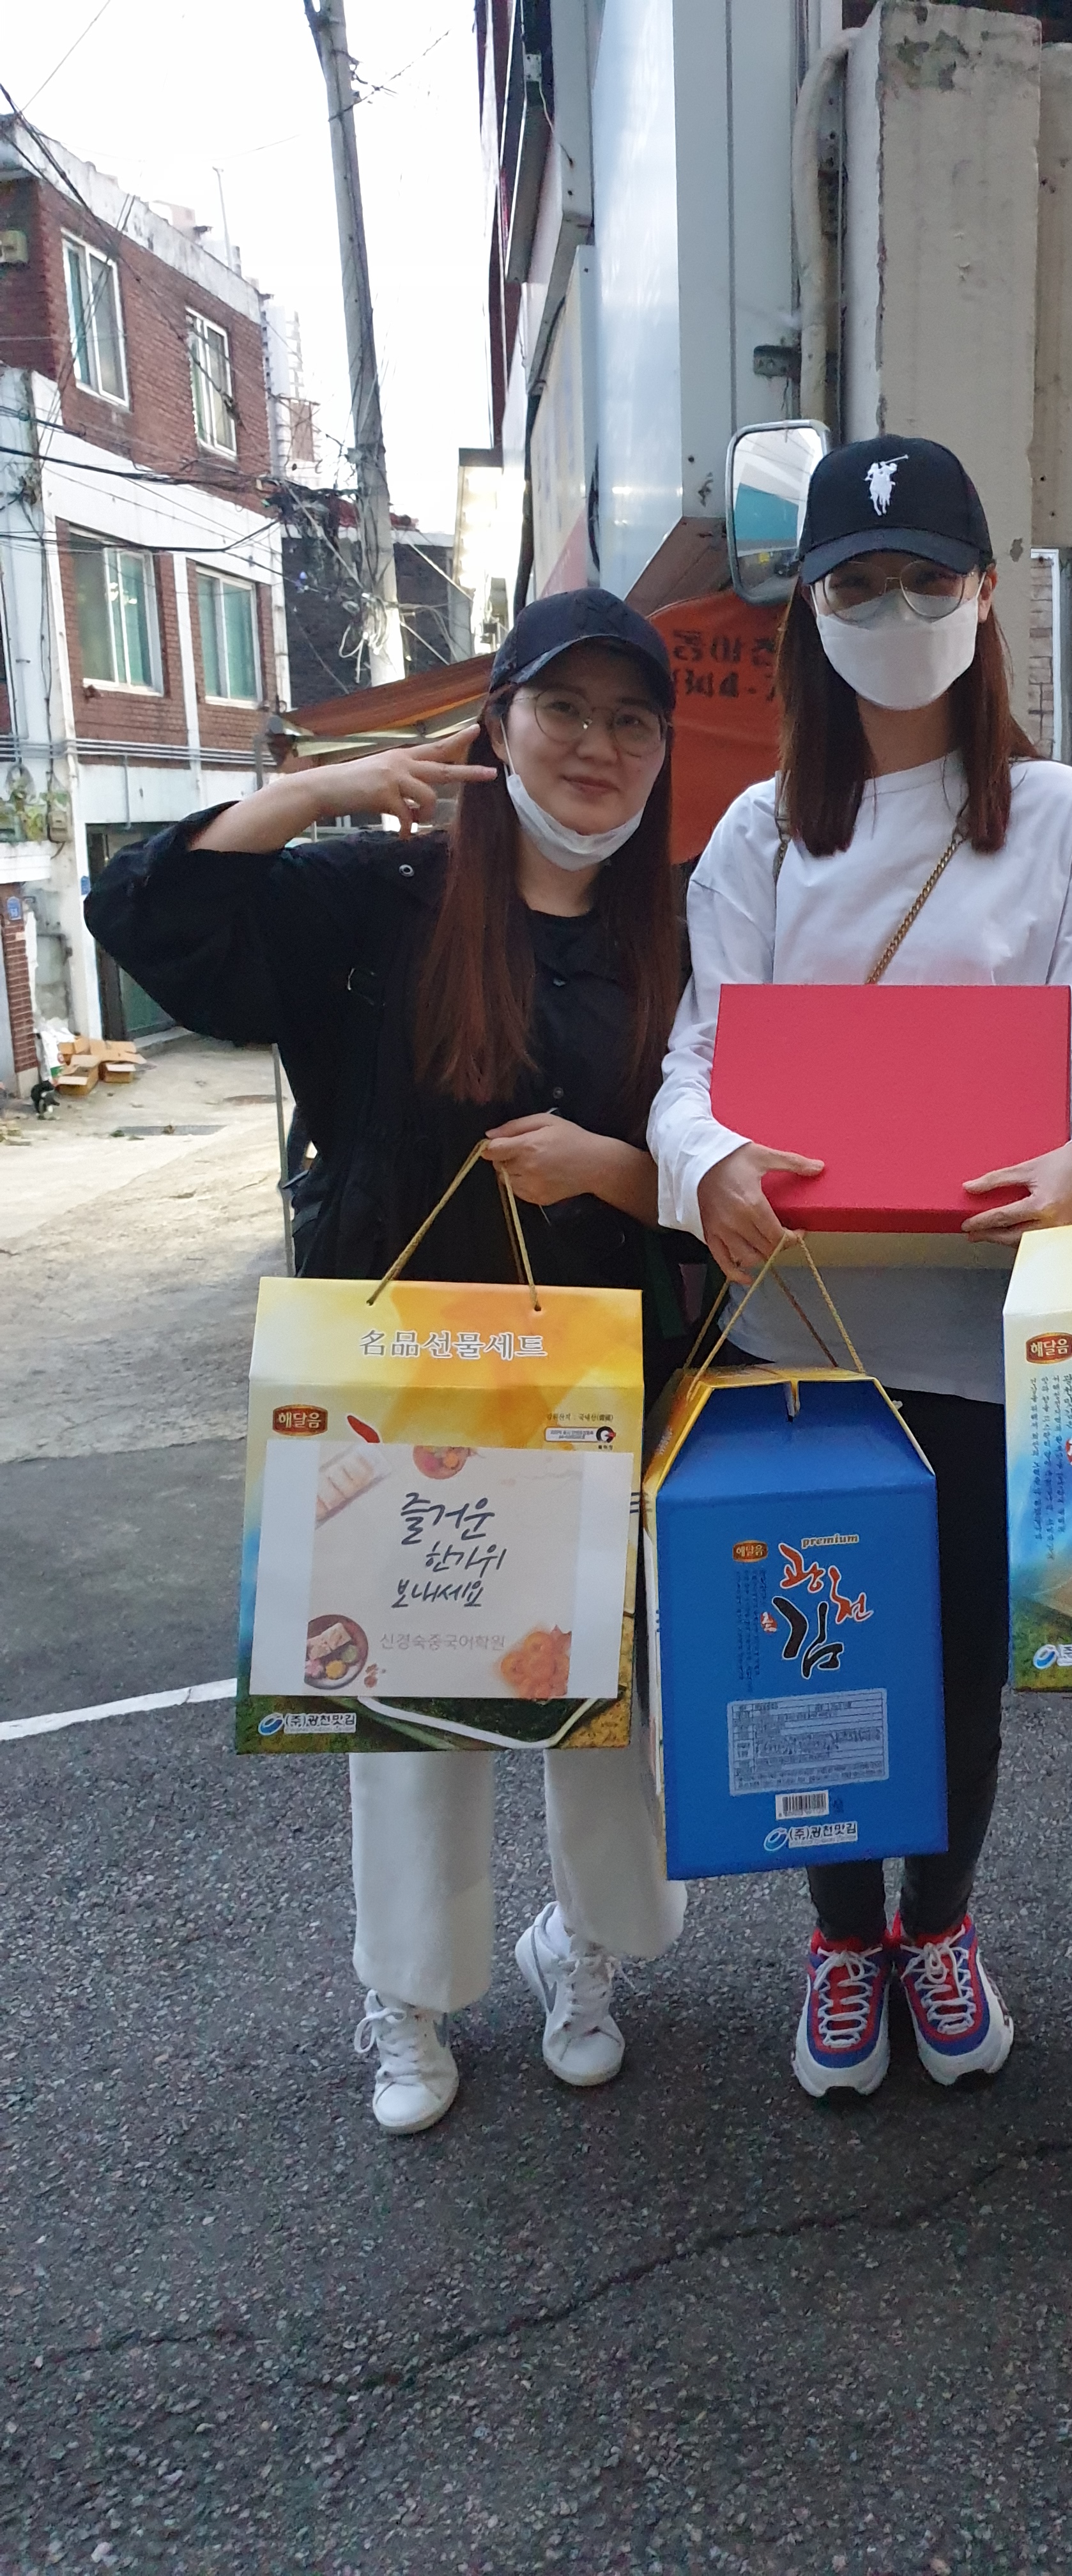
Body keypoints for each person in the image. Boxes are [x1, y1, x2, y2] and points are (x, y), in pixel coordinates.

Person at [85, 588, 694, 2136]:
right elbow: (151, 918)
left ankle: (589, 1953)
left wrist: (610, 1168)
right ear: (497, 724)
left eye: (633, 720)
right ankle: (407, 1996)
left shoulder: (679, 933)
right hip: (401, 1376)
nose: (597, 746)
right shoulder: (375, 897)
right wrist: (319, 792)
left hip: (606, 1384)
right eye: (563, 709)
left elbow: (716, 1171)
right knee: (412, 1706)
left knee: (607, 1704)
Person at [650, 436, 1072, 2100]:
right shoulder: (758, 834)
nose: (894, 610)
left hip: (985, 1334)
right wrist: (708, 1165)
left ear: (987, 594)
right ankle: (842, 1937)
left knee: (958, 1672)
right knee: (815, 1659)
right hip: (801, 1327)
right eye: (855, 584)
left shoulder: (1063, 819)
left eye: (927, 578)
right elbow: (692, 1068)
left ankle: (939, 1923)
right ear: (808, 610)